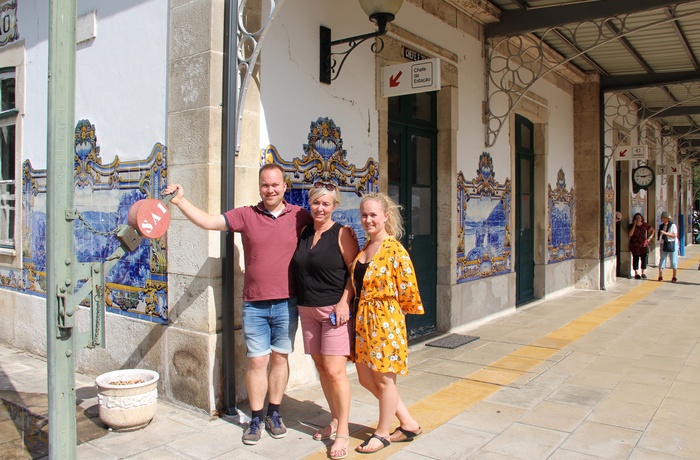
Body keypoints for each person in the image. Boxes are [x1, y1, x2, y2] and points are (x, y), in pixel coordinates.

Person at [164, 163, 313, 445]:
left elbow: (325, 225)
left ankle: (275, 413)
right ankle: (256, 418)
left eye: (275, 184)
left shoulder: (299, 216)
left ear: (284, 187)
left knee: (280, 359)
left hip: (287, 303)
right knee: (257, 361)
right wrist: (181, 201)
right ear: (260, 187)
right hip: (255, 303)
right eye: (265, 185)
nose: (270, 189)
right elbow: (209, 221)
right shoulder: (246, 215)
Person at [350, 193, 424, 454]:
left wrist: (393, 322)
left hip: (384, 320)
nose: (368, 219)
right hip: (363, 319)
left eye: (373, 215)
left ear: (385, 217)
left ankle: (382, 433)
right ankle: (408, 423)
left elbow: (408, 289)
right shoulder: (365, 246)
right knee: (364, 377)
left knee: (384, 380)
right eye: (364, 215)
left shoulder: (394, 249)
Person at [291, 182, 359, 460]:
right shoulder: (305, 232)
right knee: (320, 367)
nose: (320, 208)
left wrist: (345, 302)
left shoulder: (342, 233)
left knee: (335, 371)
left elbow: (354, 271)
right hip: (307, 309)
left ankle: (342, 430)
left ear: (335, 206)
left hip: (334, 311)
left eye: (326, 204)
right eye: (316, 203)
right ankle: (333, 418)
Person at [628, 213, 654, 279]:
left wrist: (649, 238)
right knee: (635, 259)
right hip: (635, 245)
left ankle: (643, 272)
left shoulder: (645, 225)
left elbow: (652, 230)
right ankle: (636, 273)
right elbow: (630, 234)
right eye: (636, 218)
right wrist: (634, 225)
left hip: (643, 245)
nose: (638, 219)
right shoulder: (631, 226)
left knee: (644, 259)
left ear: (641, 218)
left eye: (639, 218)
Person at [657, 211, 678, 283]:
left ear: (666, 218)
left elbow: (675, 235)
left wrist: (665, 233)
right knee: (662, 259)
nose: (661, 219)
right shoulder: (661, 226)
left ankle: (674, 276)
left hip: (672, 244)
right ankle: (660, 275)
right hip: (663, 244)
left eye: (663, 218)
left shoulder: (673, 226)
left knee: (673, 260)